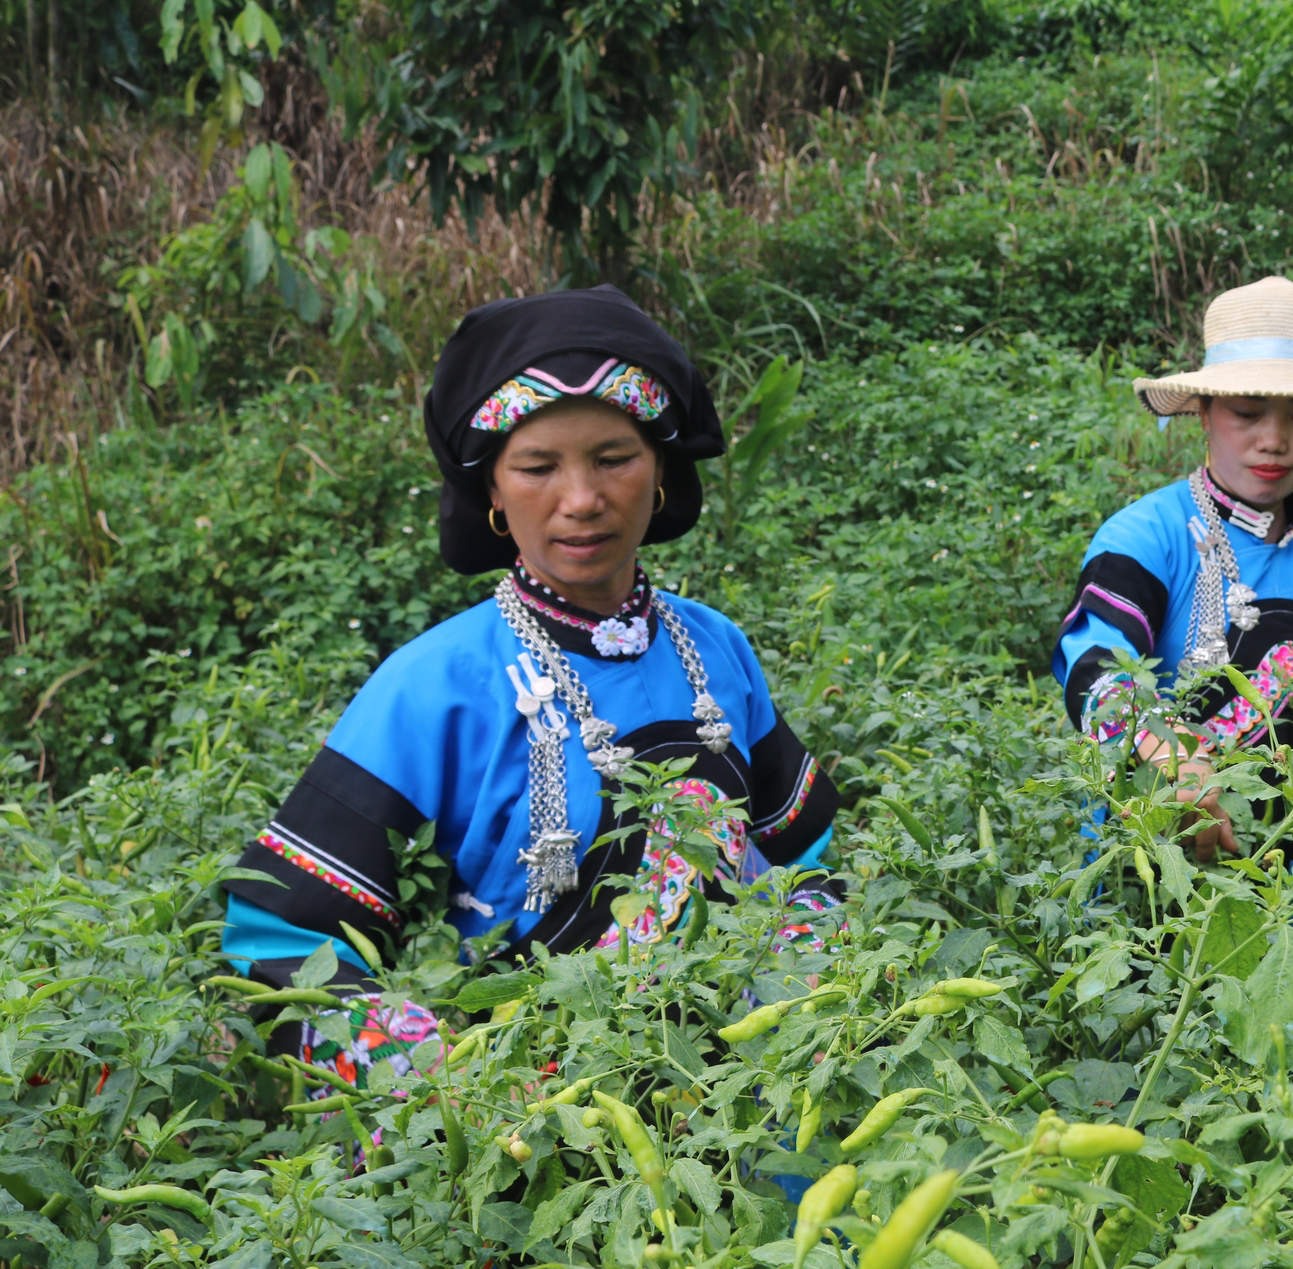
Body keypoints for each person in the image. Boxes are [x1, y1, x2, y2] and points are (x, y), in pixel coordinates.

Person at [221, 287, 840, 1079]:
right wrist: (450, 1090)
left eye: (614, 458)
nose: (581, 500)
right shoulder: (434, 686)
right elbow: (280, 937)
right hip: (529, 1139)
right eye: (537, 467)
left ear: (659, 474)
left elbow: (802, 861)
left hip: (749, 1108)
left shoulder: (715, 647)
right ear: (491, 492)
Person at [1051, 276, 1293, 860]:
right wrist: (1170, 754)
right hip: (1157, 889)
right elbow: (1090, 666)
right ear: (1205, 412)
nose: (1274, 440)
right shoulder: (1146, 537)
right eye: (1246, 411)